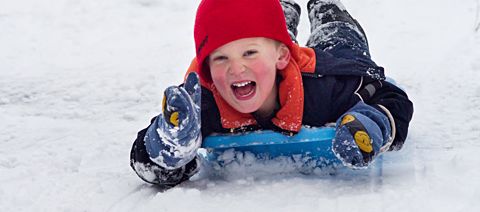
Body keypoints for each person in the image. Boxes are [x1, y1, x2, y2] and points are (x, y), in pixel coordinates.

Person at [130, 0, 414, 188]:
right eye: (220, 58)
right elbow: (146, 160)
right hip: (273, 56)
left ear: (281, 57)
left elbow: (391, 98)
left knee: (339, 36)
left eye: (248, 53)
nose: (235, 68)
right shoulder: (203, 103)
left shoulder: (325, 88)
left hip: (321, 60)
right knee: (268, 35)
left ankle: (326, 7)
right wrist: (169, 145)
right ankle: (283, 10)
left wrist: (372, 121)